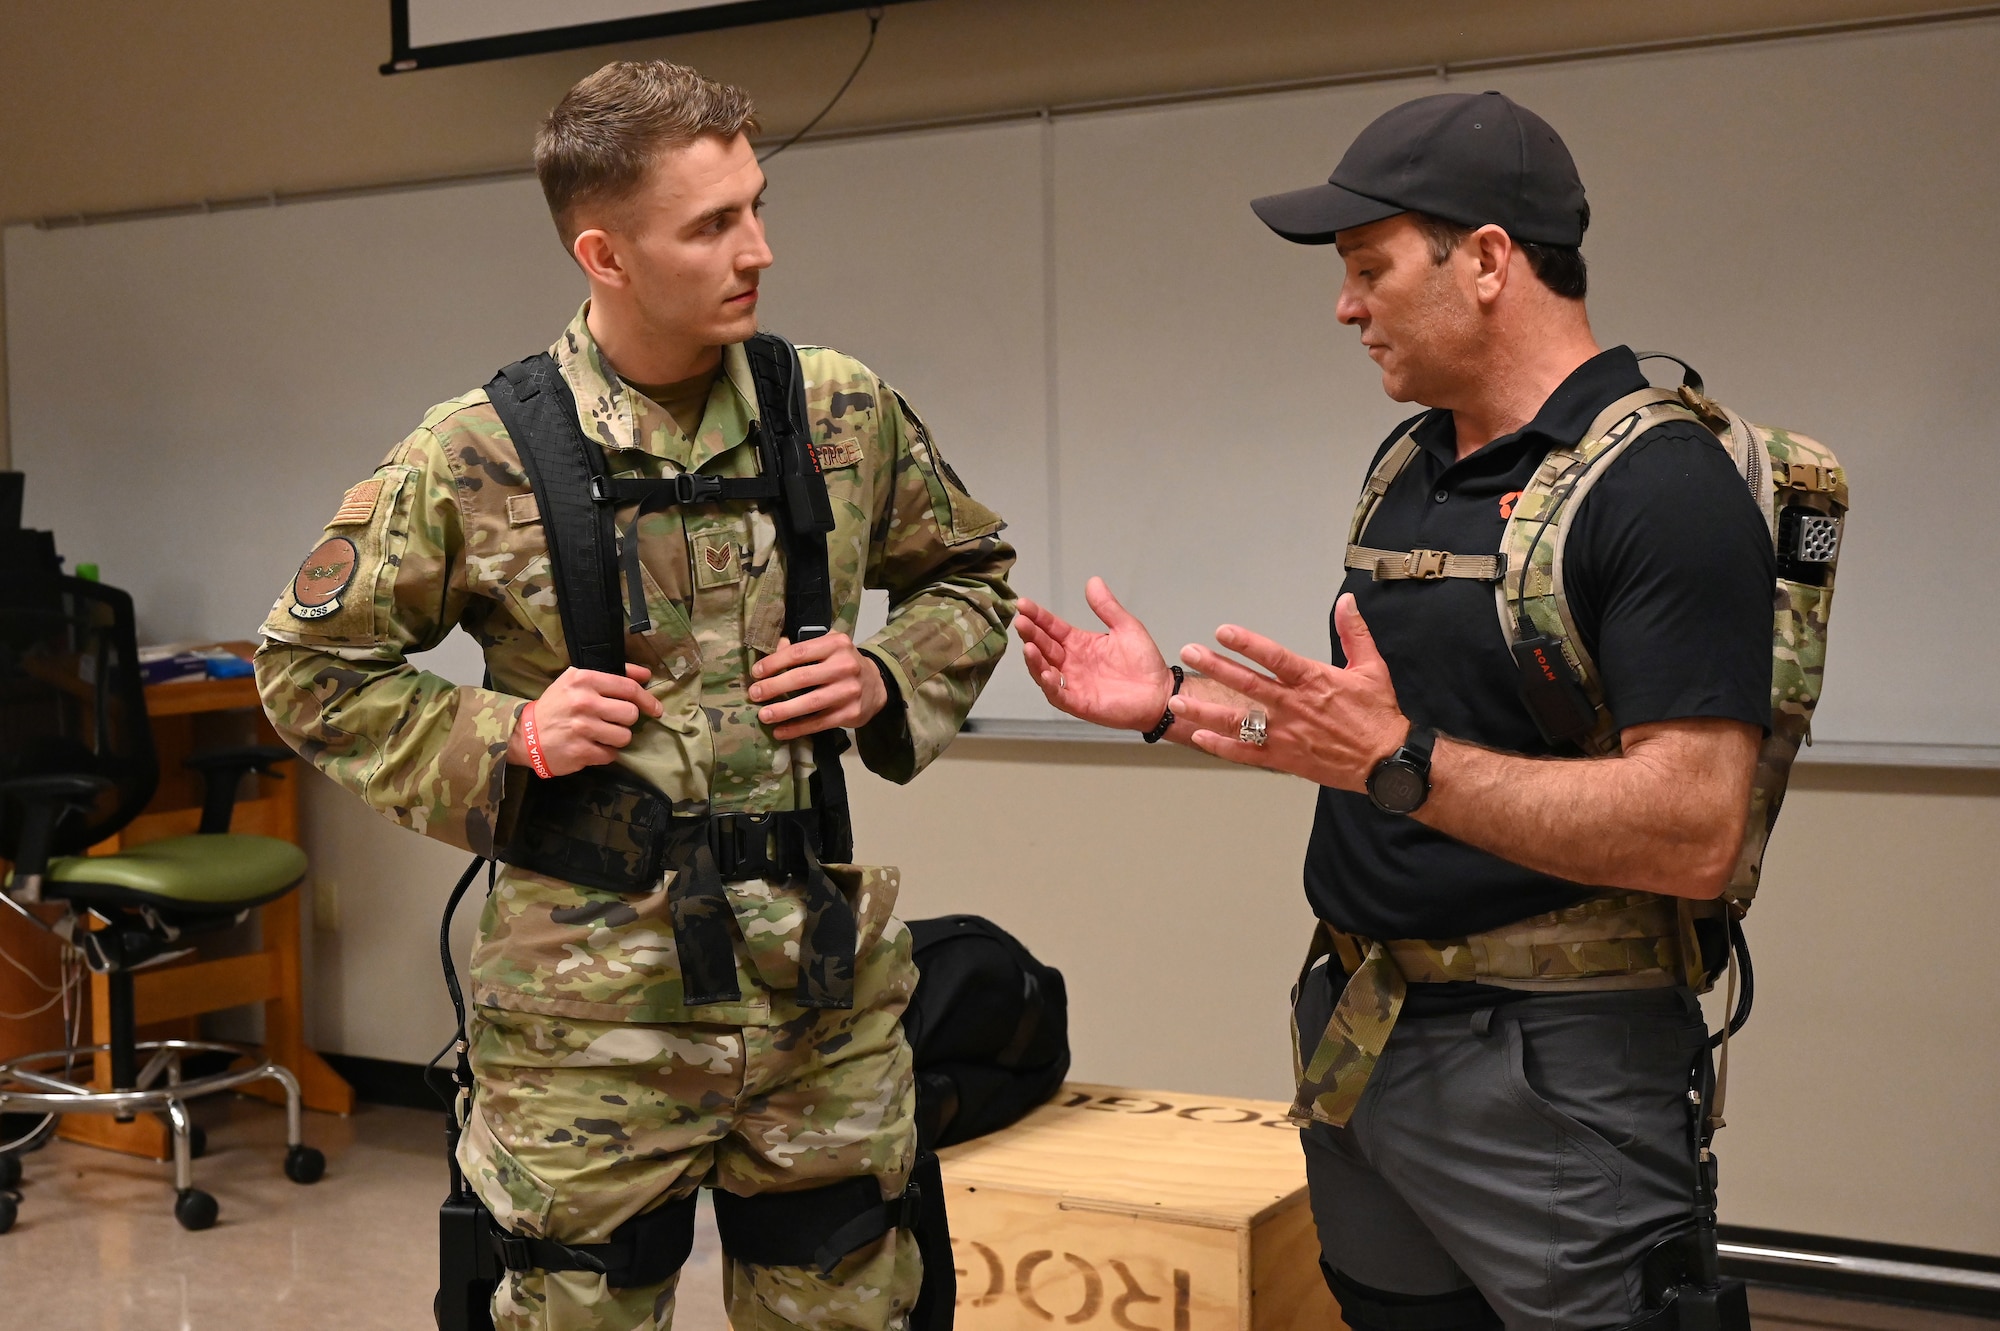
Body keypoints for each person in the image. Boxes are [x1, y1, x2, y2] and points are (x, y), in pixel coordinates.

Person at [255, 60, 1015, 1331]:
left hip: (812, 996)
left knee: (854, 1302)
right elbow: (308, 666)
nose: (756, 249)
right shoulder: (477, 450)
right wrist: (510, 733)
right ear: (603, 254)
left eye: (756, 206)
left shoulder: (834, 408)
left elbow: (971, 574)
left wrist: (883, 672)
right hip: (581, 1014)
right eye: (712, 224)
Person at [1016, 92, 1775, 1331]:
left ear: (1484, 260)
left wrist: (1398, 759)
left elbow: (1691, 826)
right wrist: (1171, 707)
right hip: (1363, 1034)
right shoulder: (1412, 466)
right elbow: (1374, 745)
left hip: (1552, 1070)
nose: (1344, 304)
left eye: (1368, 267)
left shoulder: (1659, 489)